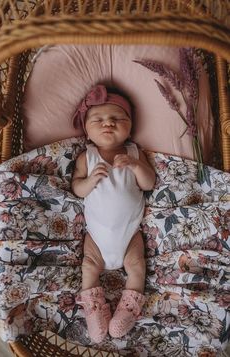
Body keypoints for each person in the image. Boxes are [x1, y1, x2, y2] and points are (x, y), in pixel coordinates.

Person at [72, 84, 155, 343]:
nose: (108, 123)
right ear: (87, 129)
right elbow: (76, 188)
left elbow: (148, 183)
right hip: (96, 236)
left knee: (137, 266)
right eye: (98, 119)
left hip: (130, 233)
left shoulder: (133, 153)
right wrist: (89, 182)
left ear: (130, 125)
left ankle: (127, 310)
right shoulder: (87, 158)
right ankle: (94, 310)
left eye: (117, 118)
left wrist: (136, 165)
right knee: (89, 266)